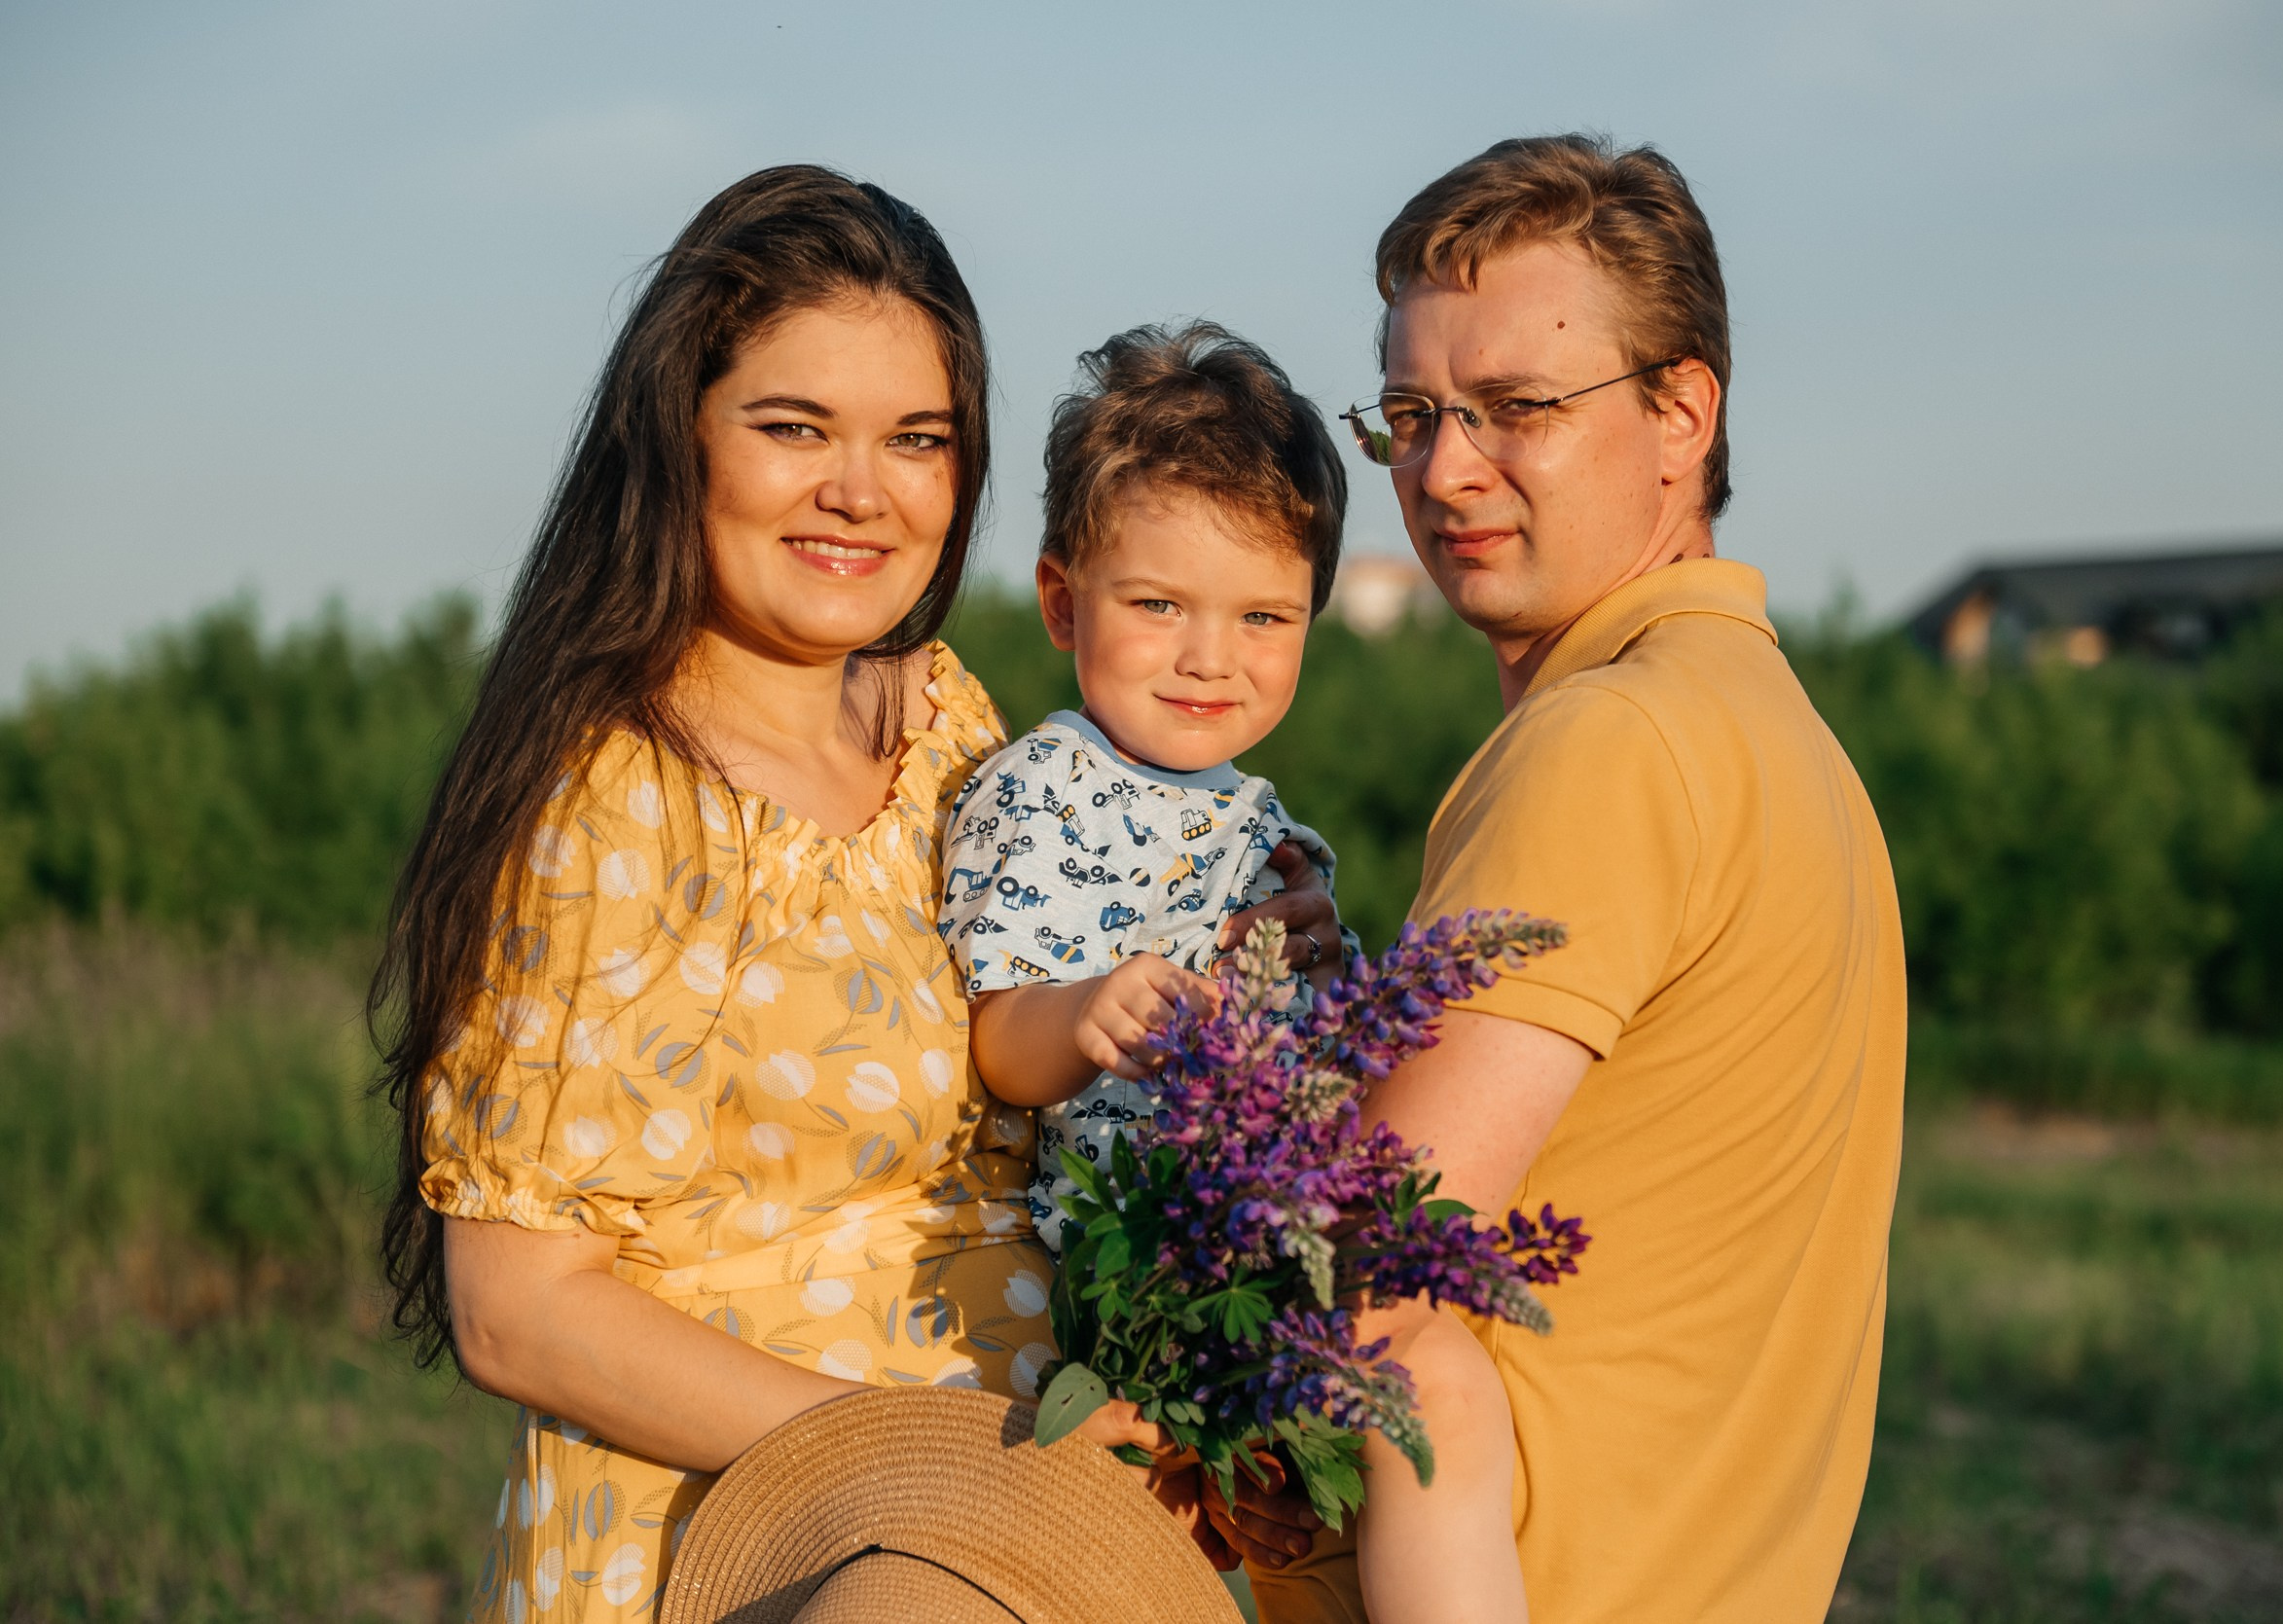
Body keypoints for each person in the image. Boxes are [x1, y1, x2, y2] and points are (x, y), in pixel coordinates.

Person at [370, 166, 1329, 1623]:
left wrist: (1245, 951)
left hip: (1025, 1515)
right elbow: (521, 1311)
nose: (859, 492)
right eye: (792, 426)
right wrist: (922, 1451)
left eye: (917, 438)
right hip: (755, 1537)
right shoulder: (610, 798)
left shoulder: (946, 722)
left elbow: (1065, 1004)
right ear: (679, 437)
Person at [1255, 135, 1908, 1624]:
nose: (1446, 466)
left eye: (1520, 407)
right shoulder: (1780, 738)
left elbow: (1370, 1256)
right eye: (1411, 414)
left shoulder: (1607, 743)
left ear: (1682, 410)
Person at [939, 321, 1534, 1624]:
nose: (1211, 655)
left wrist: (1335, 979)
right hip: (1119, 1259)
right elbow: (992, 1040)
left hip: (1254, 1245)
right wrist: (1080, 1015)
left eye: (1263, 615)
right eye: (1159, 605)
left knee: (1436, 1399)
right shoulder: (1041, 789)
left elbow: (1329, 1060)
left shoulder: (1266, 826)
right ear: (1061, 601)